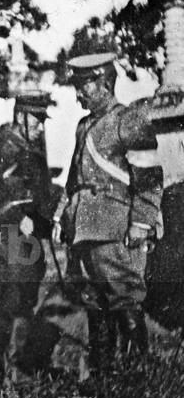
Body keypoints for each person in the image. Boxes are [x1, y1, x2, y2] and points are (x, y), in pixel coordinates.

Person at [54, 53, 162, 372]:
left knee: (123, 298)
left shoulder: (127, 119)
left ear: (103, 82)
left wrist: (141, 223)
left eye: (83, 86)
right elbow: (75, 179)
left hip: (116, 224)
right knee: (94, 302)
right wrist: (64, 216)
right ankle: (105, 374)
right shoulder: (83, 126)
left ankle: (137, 374)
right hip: (85, 226)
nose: (77, 94)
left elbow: (149, 177)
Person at [0, 91, 56, 373]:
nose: (41, 126)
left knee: (28, 298)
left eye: (42, 120)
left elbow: (43, 197)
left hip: (32, 240)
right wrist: (18, 215)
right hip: (6, 235)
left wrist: (42, 221)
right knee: (10, 300)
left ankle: (19, 366)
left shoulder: (37, 155)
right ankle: (1, 367)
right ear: (20, 117)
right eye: (36, 119)